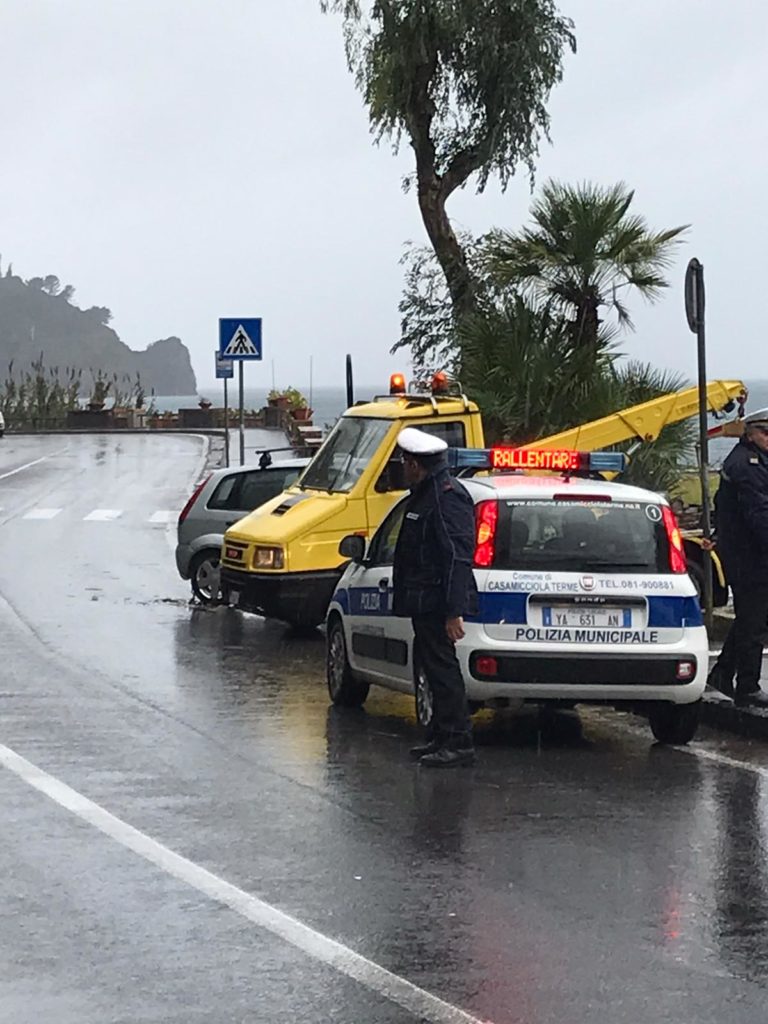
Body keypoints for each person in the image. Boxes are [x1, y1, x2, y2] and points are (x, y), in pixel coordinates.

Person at [392, 427, 478, 767]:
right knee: (433, 668)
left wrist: (453, 610)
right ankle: (442, 736)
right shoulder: (426, 493)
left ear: (415, 465)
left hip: (437, 602)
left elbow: (456, 554)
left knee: (443, 671)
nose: (402, 466)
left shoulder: (446, 496)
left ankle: (458, 741)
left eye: (404, 461)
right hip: (424, 600)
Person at [708, 408, 768, 707]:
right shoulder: (747, 464)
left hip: (750, 554)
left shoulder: (755, 460)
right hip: (749, 556)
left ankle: (722, 673)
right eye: (765, 433)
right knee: (754, 622)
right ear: (750, 434)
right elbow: (759, 514)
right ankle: (747, 685)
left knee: (750, 619)